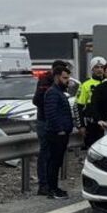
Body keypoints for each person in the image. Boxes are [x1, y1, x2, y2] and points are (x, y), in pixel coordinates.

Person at [32, 60, 69, 195]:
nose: (65, 79)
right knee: (46, 154)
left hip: (51, 123)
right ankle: (44, 185)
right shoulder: (46, 83)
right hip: (46, 122)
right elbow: (37, 101)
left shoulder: (56, 87)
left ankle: (50, 184)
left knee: (53, 156)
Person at [44, 66, 74, 199]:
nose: (67, 81)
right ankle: (52, 189)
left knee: (57, 162)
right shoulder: (53, 93)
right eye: (65, 78)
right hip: (56, 134)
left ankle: (54, 188)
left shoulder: (59, 92)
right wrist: (60, 129)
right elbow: (51, 114)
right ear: (57, 77)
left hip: (61, 133)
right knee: (54, 162)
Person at [77, 56, 107, 149]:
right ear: (92, 69)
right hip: (92, 125)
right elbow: (79, 106)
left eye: (102, 67)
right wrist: (81, 126)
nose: (99, 70)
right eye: (96, 67)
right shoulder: (85, 84)